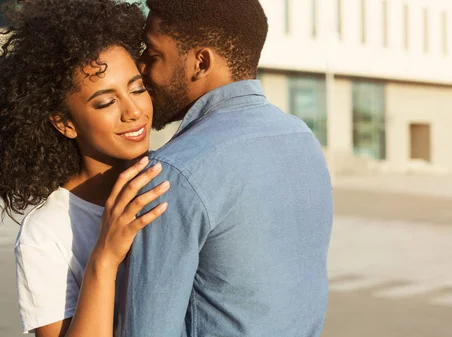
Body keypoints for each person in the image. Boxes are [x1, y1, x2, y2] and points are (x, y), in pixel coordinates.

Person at [117, 1, 334, 336]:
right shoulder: (301, 138)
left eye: (153, 53)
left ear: (200, 62)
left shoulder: (173, 173)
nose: (141, 68)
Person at [0, 1, 167, 336]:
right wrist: (104, 259)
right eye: (106, 102)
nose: (133, 111)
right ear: (64, 123)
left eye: (137, 88)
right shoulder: (47, 233)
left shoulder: (173, 179)